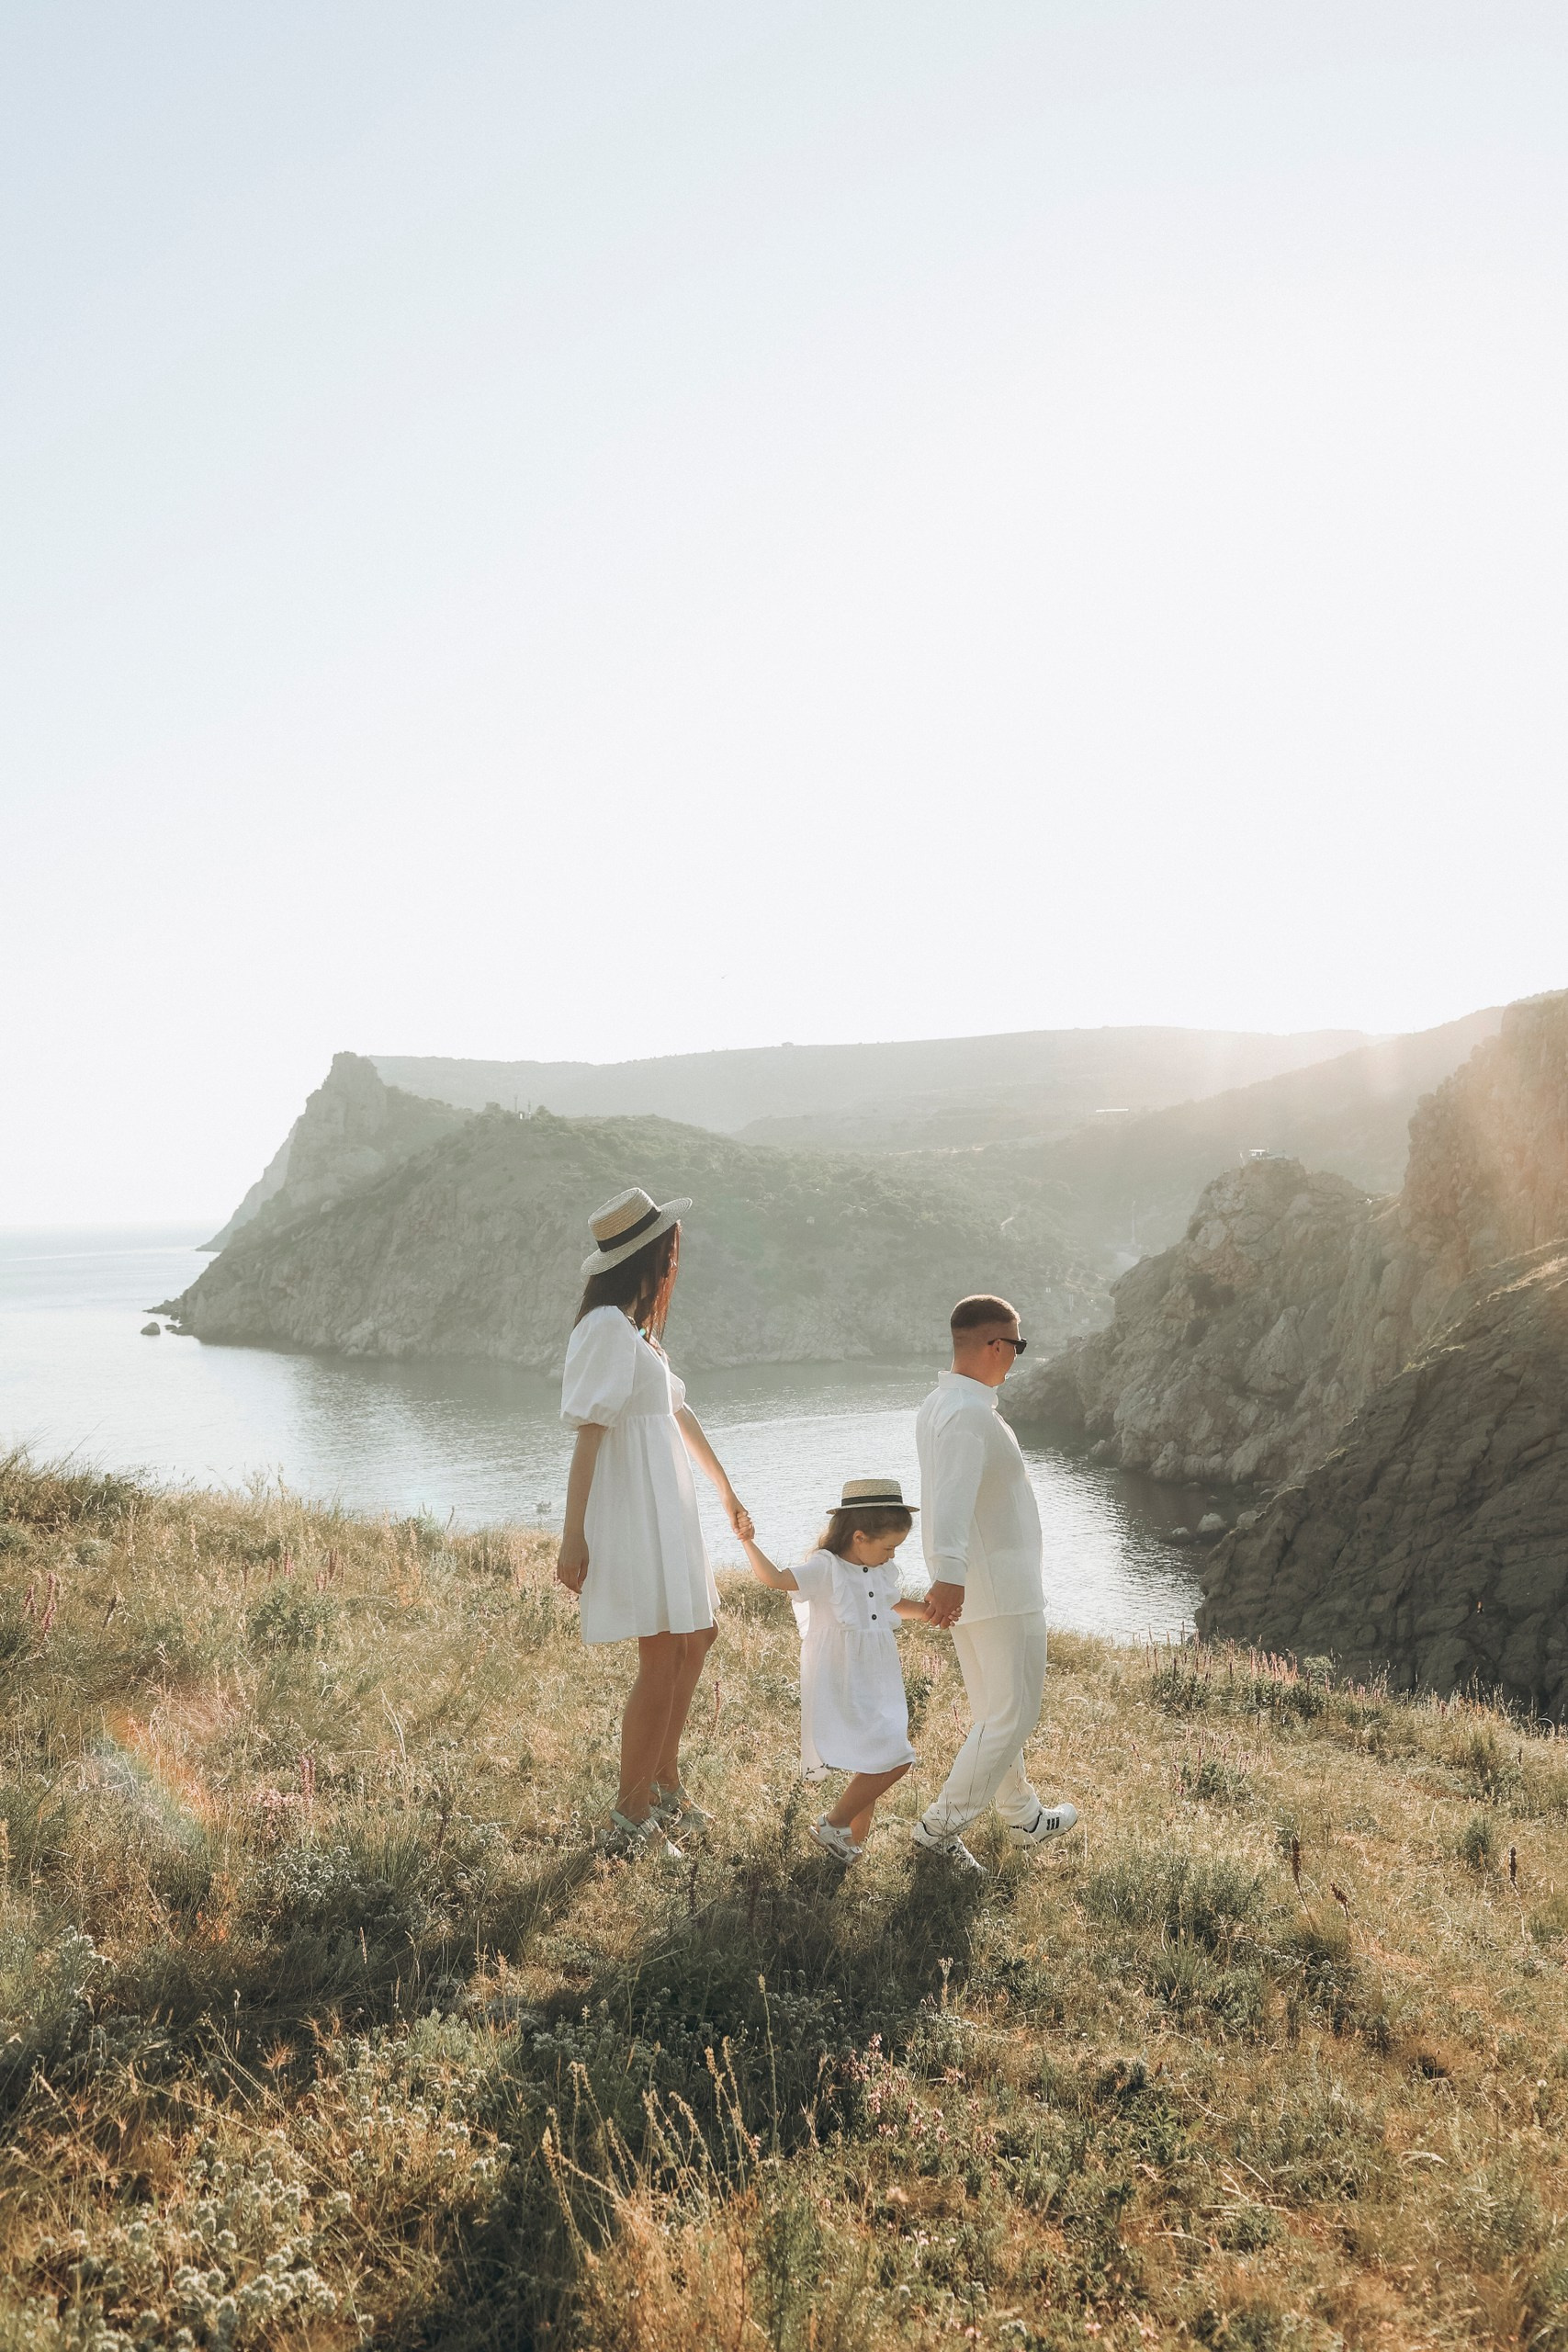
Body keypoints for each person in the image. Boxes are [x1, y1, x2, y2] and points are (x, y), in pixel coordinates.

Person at [556, 1186, 750, 1859]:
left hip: (668, 1502)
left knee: (698, 1636)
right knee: (663, 1651)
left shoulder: (637, 1332)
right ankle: (630, 1811)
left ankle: (664, 1781)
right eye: (672, 1248)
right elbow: (588, 1434)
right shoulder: (604, 1329)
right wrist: (572, 1534)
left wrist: (725, 1489)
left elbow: (677, 1414)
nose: (677, 1259)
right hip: (635, 1505)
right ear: (653, 1256)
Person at [911, 1295, 1078, 1873]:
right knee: (1013, 1713)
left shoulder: (943, 1404)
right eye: (1016, 1345)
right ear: (993, 1346)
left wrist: (951, 1577)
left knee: (993, 1712)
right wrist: (949, 1576)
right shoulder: (968, 1415)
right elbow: (951, 1501)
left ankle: (1023, 1814)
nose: (1017, 1357)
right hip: (998, 1587)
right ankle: (939, 1828)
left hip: (980, 1585)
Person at [741, 1479, 929, 1861]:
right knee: (896, 1758)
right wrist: (747, 1541)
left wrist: (931, 1612)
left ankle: (848, 1844)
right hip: (843, 1678)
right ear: (859, 1537)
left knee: (874, 1760)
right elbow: (775, 1579)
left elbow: (891, 1605)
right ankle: (833, 1823)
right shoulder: (825, 1568)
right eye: (888, 1547)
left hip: (878, 1676)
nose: (892, 1556)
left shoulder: (877, 1571)